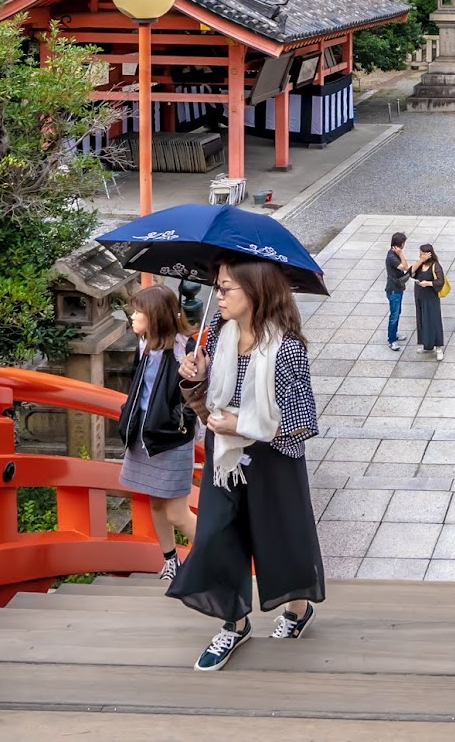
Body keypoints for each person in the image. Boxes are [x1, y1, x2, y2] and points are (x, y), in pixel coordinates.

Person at [170, 259, 324, 669]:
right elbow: (210, 404)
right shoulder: (220, 334)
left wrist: (245, 423)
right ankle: (233, 623)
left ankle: (296, 610)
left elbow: (303, 418)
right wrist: (194, 378)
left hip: (272, 456)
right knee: (215, 535)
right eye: (217, 288)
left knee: (279, 539)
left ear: (255, 292)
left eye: (226, 289)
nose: (217, 296)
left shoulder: (286, 347)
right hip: (227, 457)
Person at [118, 283, 197, 583]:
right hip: (144, 433)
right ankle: (171, 561)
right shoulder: (144, 344)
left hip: (171, 436)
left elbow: (198, 397)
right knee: (155, 502)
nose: (133, 316)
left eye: (138, 311)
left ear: (155, 315)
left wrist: (181, 416)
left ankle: (216, 558)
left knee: (177, 512)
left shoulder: (184, 349)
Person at [411, 243, 447, 360]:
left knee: (433, 321)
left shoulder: (435, 266)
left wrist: (428, 283)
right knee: (422, 320)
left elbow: (440, 282)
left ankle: (438, 347)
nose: (421, 256)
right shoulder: (420, 264)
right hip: (420, 296)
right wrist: (420, 261)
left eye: (423, 254)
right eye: (420, 254)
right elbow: (410, 273)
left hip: (431, 297)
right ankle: (426, 344)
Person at [383, 230, 411, 351]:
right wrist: (401, 254)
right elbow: (405, 267)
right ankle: (392, 340)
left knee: (397, 312)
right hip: (393, 290)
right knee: (394, 314)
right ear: (400, 244)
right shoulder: (392, 257)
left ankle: (394, 334)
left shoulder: (392, 254)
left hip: (397, 288)